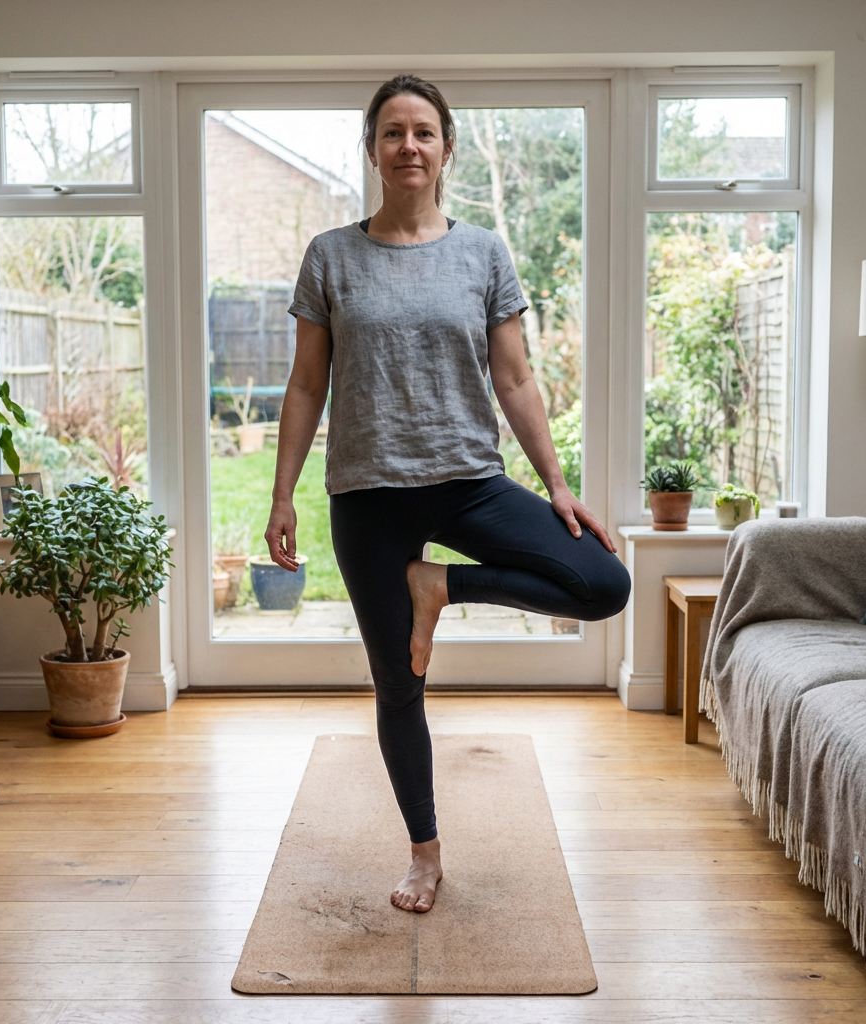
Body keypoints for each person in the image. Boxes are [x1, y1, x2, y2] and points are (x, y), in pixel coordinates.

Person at [265, 74, 630, 914]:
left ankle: (442, 584)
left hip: (469, 482)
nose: (409, 147)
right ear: (372, 150)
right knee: (398, 685)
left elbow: (516, 378)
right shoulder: (331, 255)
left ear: (446, 148)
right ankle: (424, 853)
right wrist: (283, 494)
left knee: (603, 583)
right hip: (368, 495)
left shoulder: (483, 253)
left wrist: (560, 487)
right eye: (392, 133)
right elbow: (306, 385)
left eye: (423, 132)